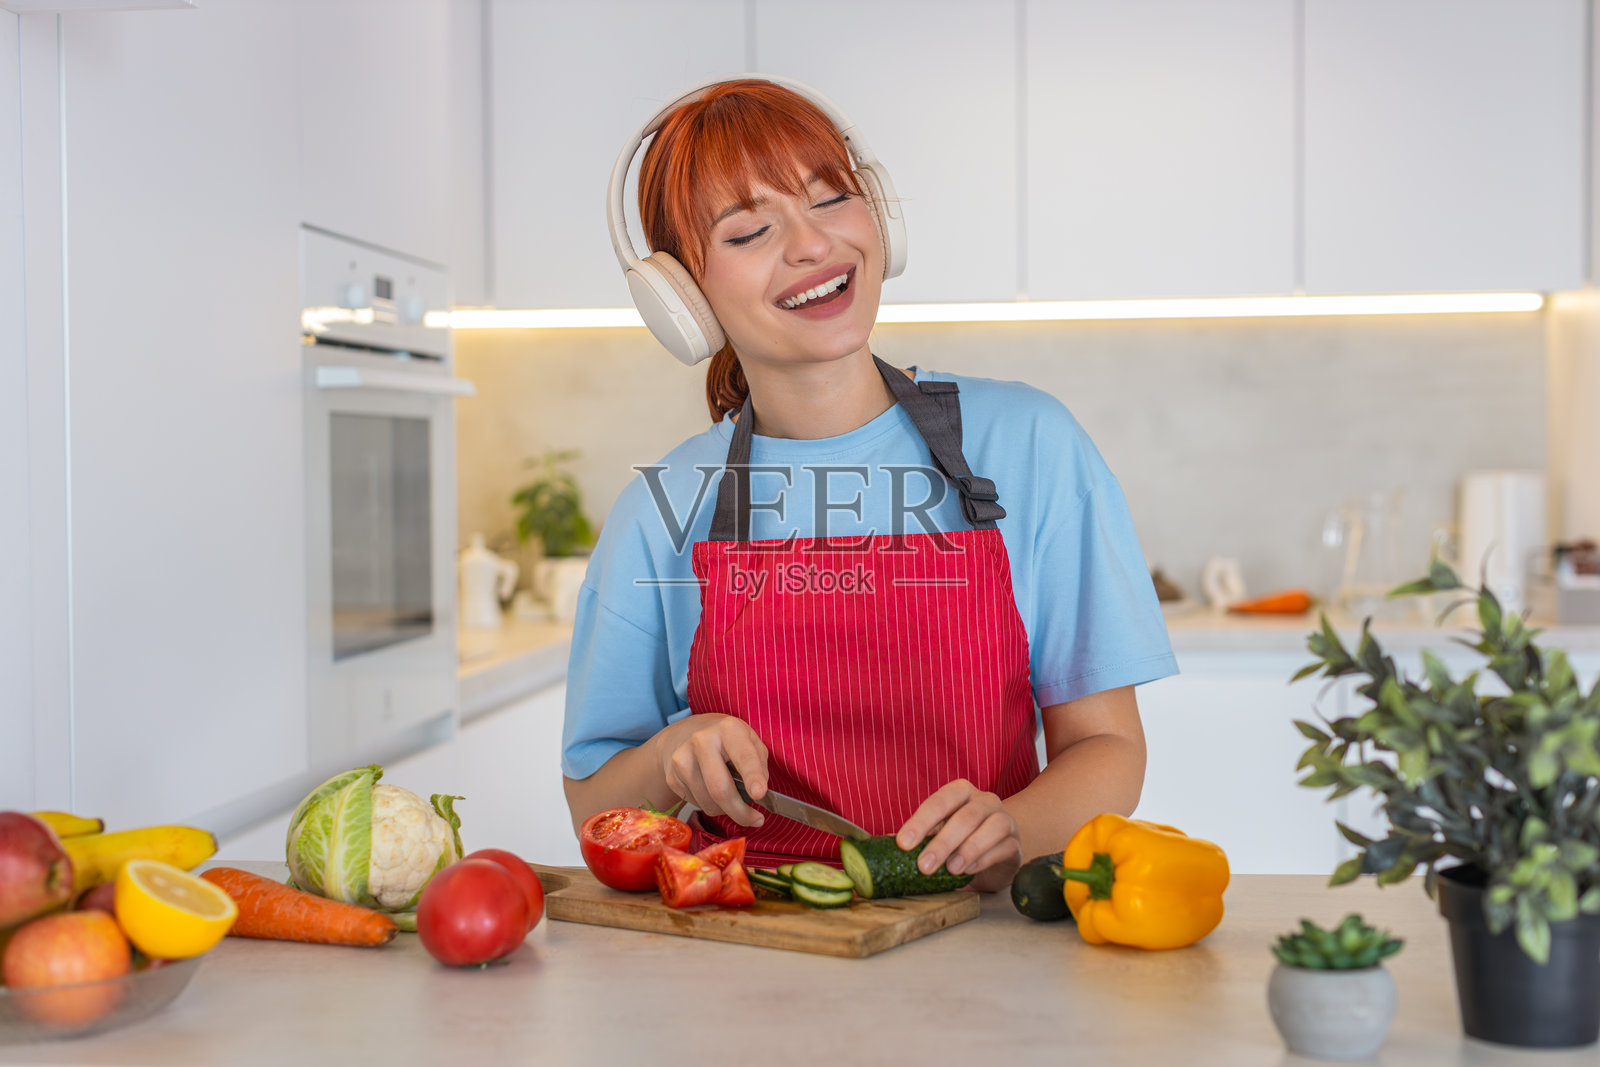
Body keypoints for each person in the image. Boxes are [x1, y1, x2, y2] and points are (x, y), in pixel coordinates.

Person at [562, 77, 1176, 892]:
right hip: (744, 965)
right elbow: (594, 810)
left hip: (982, 948)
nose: (812, 245)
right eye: (749, 231)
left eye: (831, 198)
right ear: (682, 297)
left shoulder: (1029, 442)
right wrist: (672, 758)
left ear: (878, 211)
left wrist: (1013, 827)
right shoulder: (661, 509)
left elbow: (1109, 747)